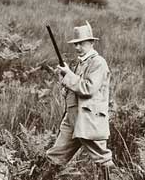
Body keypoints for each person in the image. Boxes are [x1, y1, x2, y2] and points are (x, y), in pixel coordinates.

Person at [46, 21, 114, 170]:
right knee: (55, 156)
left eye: (81, 43)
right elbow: (71, 91)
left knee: (103, 159)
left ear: (91, 42)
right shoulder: (79, 64)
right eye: (75, 44)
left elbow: (88, 88)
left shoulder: (98, 63)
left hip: (90, 120)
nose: (77, 47)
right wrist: (64, 78)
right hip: (72, 118)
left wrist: (69, 75)